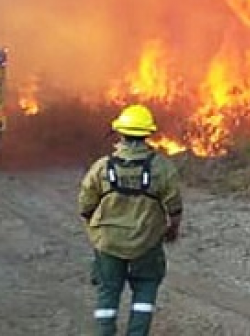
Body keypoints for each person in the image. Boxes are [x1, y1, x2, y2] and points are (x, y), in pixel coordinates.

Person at [77, 104, 183, 336]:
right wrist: (172, 228)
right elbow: (174, 205)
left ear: (120, 133)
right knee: (145, 289)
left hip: (108, 244)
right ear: (148, 134)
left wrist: (95, 228)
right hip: (146, 243)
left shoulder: (102, 167)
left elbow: (85, 204)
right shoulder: (162, 168)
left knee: (108, 291)